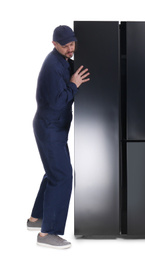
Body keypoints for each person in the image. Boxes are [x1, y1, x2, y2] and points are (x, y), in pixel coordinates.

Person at [27, 25, 90, 249]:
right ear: (54, 44)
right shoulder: (53, 65)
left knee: (53, 173)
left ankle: (37, 218)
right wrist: (74, 84)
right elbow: (58, 101)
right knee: (62, 176)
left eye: (73, 44)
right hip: (49, 127)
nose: (70, 49)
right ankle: (48, 234)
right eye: (65, 45)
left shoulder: (63, 61)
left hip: (55, 127)